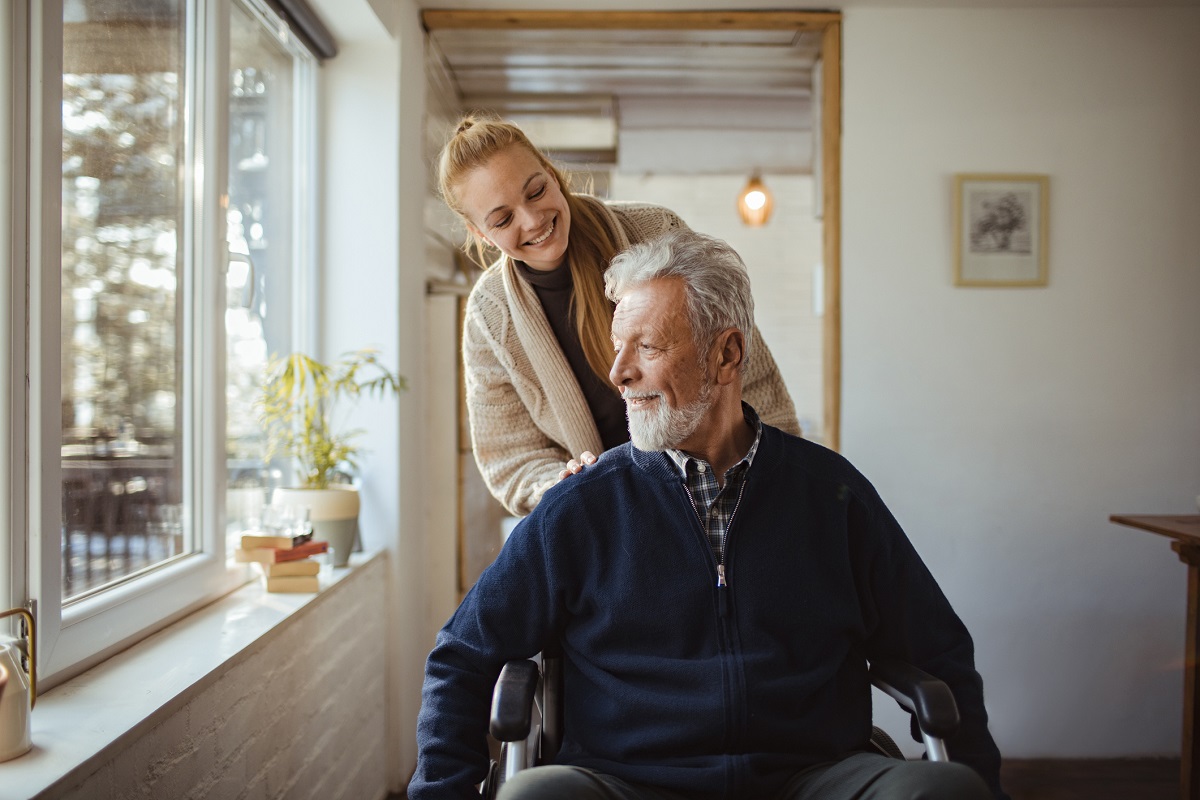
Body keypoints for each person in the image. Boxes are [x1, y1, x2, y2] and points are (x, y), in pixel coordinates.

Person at [411, 229, 1009, 800]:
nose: (619, 372)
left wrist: (982, 779)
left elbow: (940, 650)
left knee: (946, 791)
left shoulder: (832, 495)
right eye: (617, 348)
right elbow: (462, 657)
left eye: (646, 347)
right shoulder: (584, 506)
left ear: (726, 354)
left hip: (813, 776)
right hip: (626, 781)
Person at [437, 113, 800, 516]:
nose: (533, 219)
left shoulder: (656, 230)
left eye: (536, 191)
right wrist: (559, 483)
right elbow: (511, 457)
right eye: (503, 219)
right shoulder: (489, 317)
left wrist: (778, 476)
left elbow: (747, 369)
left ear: (553, 174)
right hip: (610, 519)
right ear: (480, 234)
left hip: (721, 490)